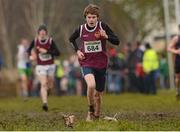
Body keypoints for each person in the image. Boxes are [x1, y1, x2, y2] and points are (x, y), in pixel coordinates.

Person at [69, 4, 120, 121]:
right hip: (86, 62)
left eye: (93, 17)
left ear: (97, 18)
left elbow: (117, 41)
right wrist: (77, 51)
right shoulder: (81, 29)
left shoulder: (103, 26)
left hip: (101, 64)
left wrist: (106, 36)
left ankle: (96, 116)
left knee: (98, 95)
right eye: (89, 17)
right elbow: (71, 39)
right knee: (91, 85)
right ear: (85, 18)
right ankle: (90, 110)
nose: (91, 20)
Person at [27, 24, 60, 111]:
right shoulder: (35, 41)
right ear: (38, 33)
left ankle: (48, 91)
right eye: (40, 33)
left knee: (50, 85)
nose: (42, 35)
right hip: (40, 66)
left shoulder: (50, 41)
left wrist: (47, 51)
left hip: (50, 65)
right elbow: (28, 50)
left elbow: (57, 53)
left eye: (43, 33)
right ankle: (45, 103)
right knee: (43, 83)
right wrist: (31, 55)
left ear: (46, 33)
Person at [168, 24, 180, 100]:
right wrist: (176, 51)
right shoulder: (176, 38)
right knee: (178, 77)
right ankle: (177, 90)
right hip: (178, 59)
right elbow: (169, 48)